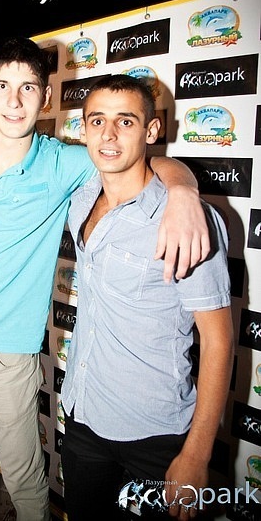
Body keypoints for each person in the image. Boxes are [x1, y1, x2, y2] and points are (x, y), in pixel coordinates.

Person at [0, 37, 210, 521]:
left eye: (28, 88)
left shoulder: (63, 163)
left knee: (26, 486)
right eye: (2, 87)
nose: (14, 101)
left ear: (47, 97)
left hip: (8, 360)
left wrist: (183, 189)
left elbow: (138, 160)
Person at [59, 74, 234, 521]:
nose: (108, 135)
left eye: (125, 121)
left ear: (151, 130)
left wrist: (196, 453)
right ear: (83, 129)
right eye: (97, 121)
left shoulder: (187, 222)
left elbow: (218, 341)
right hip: (83, 415)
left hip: (156, 434)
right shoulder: (81, 197)